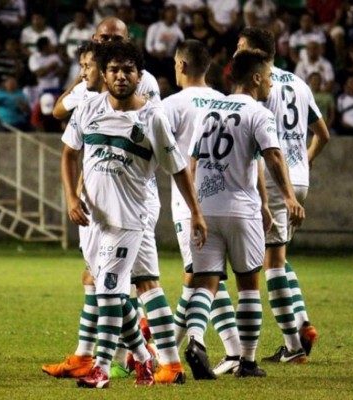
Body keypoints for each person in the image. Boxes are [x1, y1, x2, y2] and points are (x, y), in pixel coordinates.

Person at [60, 40, 207, 389]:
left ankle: (101, 368)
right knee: (144, 285)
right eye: (114, 70)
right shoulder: (88, 108)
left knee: (108, 292)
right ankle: (155, 361)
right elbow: (68, 153)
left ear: (139, 76)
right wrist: (70, 197)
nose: (121, 76)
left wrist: (196, 213)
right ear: (105, 74)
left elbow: (178, 169)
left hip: (129, 218)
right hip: (96, 219)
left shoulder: (152, 117)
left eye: (128, 70)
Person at [185, 49, 305, 379]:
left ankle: (195, 340)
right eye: (267, 76)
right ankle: (248, 363)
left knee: (205, 283)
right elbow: (273, 157)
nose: (270, 83)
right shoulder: (258, 112)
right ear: (255, 78)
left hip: (205, 208)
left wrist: (195, 207)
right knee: (249, 285)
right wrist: (289, 197)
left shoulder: (208, 110)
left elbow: (193, 162)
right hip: (241, 209)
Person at [236, 27, 330, 364]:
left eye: (240, 46)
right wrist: (304, 163)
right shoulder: (299, 83)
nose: (236, 51)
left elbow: (263, 145)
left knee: (270, 262)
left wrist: (282, 185)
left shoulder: (261, 85)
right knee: (278, 254)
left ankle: (293, 347)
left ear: (254, 51)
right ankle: (302, 322)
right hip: (298, 180)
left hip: (277, 182)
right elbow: (323, 134)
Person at [160, 39, 226, 364]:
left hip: (187, 204)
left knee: (199, 277)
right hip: (224, 201)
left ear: (182, 65)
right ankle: (235, 351)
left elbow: (158, 153)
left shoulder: (172, 105)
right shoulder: (227, 103)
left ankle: (169, 350)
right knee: (207, 277)